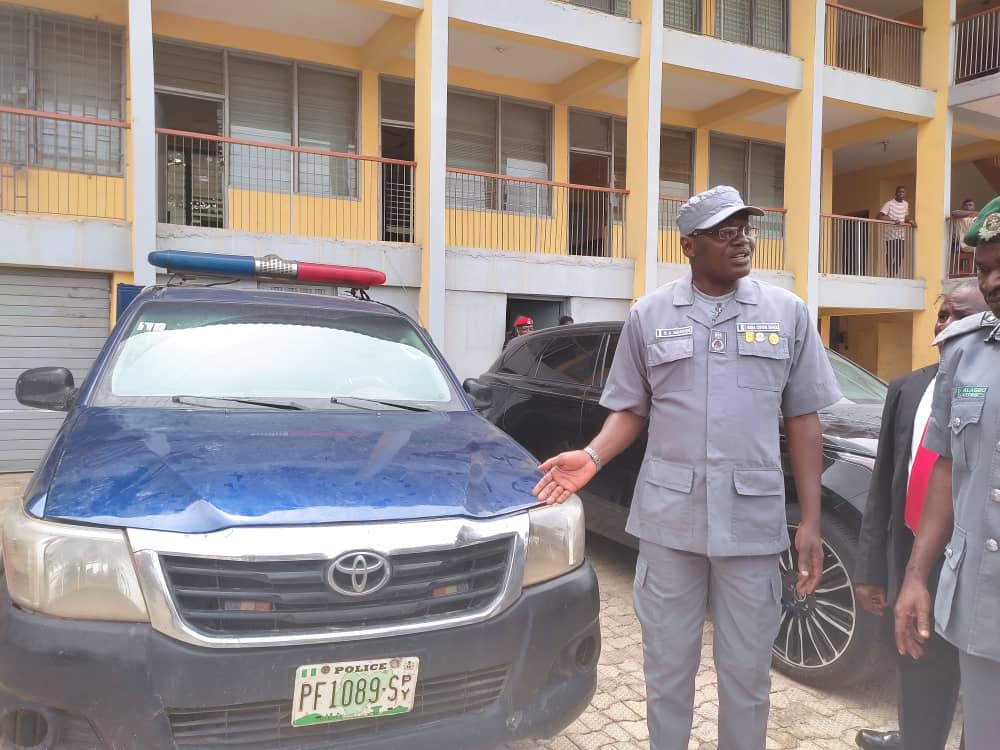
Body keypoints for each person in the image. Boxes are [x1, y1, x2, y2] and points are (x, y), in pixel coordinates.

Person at [532, 185, 841, 750]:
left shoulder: (787, 313)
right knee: (667, 677)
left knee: (747, 680)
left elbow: (804, 422)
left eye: (746, 228)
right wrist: (594, 456)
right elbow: (630, 408)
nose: (741, 240)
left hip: (751, 527)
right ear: (689, 246)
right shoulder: (648, 315)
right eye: (725, 232)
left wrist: (812, 523)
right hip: (670, 523)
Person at [853, 280, 988, 750]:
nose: (947, 325)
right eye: (943, 314)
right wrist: (873, 571)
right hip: (919, 565)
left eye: (962, 316)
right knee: (919, 678)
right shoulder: (908, 388)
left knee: (983, 701)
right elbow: (884, 487)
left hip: (980, 567)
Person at [894, 195, 1000, 750]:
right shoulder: (965, 352)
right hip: (981, 601)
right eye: (984, 269)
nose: (993, 281)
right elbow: (945, 469)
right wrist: (916, 576)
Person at [878, 187, 915, 278]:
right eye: (899, 192)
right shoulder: (889, 204)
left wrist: (910, 221)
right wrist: (893, 220)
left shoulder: (906, 204)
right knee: (891, 254)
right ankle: (890, 274)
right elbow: (879, 216)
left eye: (903, 192)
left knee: (900, 255)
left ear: (905, 194)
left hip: (901, 235)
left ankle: (893, 273)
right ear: (896, 193)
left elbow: (904, 218)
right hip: (890, 235)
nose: (901, 193)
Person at [951, 200, 978, 276]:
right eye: (966, 205)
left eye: (970, 205)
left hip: (975, 243)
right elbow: (954, 213)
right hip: (965, 244)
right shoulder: (959, 215)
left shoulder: (975, 218)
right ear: (962, 207)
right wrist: (973, 213)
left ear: (974, 207)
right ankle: (974, 273)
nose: (968, 207)